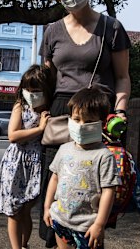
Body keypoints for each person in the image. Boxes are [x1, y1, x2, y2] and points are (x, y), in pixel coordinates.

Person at [38, 0, 131, 247]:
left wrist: (120, 112)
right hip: (61, 114)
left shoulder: (111, 27)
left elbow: (123, 77)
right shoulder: (52, 31)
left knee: (96, 188)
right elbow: (46, 80)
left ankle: (95, 236)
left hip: (99, 115)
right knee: (59, 184)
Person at [43, 86, 120, 249]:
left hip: (88, 227)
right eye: (77, 119)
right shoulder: (64, 149)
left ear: (103, 123)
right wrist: (47, 207)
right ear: (70, 118)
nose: (81, 125)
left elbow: (109, 191)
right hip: (60, 219)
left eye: (90, 121)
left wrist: (99, 224)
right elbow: (54, 178)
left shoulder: (103, 156)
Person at [0, 65, 54, 249]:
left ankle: (24, 244)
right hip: (16, 161)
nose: (30, 94)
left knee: (26, 209)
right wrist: (40, 129)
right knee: (14, 211)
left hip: (37, 162)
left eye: (36, 90)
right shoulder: (21, 105)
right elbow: (13, 136)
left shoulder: (49, 108)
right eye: (27, 89)